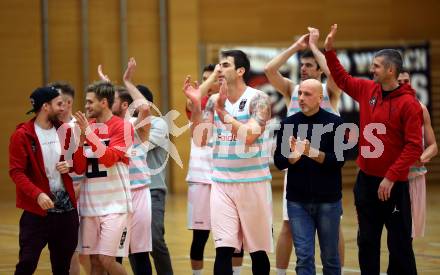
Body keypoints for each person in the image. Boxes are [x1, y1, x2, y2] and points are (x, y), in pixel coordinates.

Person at [324, 24, 423, 275]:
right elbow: (343, 80)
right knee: (366, 242)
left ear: (391, 70)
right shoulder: (368, 89)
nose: (371, 69)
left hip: (394, 187)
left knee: (399, 245)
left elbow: (414, 146)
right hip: (366, 182)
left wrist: (391, 177)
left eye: (376, 66)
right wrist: (329, 50)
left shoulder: (409, 105)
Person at [184, 49, 273, 275]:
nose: (218, 70)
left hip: (253, 183)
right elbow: (200, 138)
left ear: (240, 71)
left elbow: (250, 135)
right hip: (221, 182)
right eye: (218, 65)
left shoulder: (258, 98)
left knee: (257, 252)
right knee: (223, 249)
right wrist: (195, 107)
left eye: (225, 65)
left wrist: (224, 114)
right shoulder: (213, 100)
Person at [264, 27, 344, 275]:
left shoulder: (330, 92)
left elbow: (333, 73)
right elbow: (269, 70)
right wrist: (296, 48)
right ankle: (280, 272)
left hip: (325, 172)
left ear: (319, 70)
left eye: (310, 65)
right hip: (297, 170)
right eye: (302, 65)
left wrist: (315, 47)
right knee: (289, 228)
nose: (304, 68)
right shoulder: (293, 91)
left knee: (333, 235)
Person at [274, 79, 345, 275]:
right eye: (300, 94)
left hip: (328, 201)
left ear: (320, 98)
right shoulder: (288, 124)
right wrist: (292, 158)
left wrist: (311, 152)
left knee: (330, 258)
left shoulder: (335, 124)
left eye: (307, 94)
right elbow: (279, 161)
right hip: (297, 202)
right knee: (304, 257)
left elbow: (338, 161)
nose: (301, 98)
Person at [9, 86, 80, 274]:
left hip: (66, 212)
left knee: (61, 268)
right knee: (27, 264)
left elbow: (78, 165)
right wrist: (37, 194)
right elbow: (16, 172)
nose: (63, 107)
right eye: (59, 104)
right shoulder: (22, 135)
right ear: (46, 106)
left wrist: (70, 164)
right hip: (36, 213)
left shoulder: (65, 131)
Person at [185, 64, 244, 275]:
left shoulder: (235, 103)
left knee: (234, 236)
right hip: (201, 177)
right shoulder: (198, 101)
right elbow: (193, 102)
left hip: (226, 177)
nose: (209, 82)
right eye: (205, 79)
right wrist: (211, 80)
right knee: (200, 237)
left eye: (215, 78)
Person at [73, 81, 134, 275]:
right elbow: (80, 166)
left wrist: (88, 134)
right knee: (94, 262)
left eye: (91, 102)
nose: (86, 106)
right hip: (90, 206)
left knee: (107, 260)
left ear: (104, 102)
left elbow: (108, 159)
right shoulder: (86, 127)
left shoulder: (123, 127)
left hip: (115, 206)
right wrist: (81, 140)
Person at [49, 81, 92, 275]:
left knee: (79, 253)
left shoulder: (78, 128)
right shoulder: (50, 128)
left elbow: (90, 165)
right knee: (68, 252)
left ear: (67, 102)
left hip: (81, 198)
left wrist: (80, 187)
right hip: (60, 198)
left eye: (56, 100)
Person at [397, 70, 438, 238]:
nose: (404, 85)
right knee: (394, 230)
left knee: (409, 233)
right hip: (393, 178)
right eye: (400, 82)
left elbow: (433, 145)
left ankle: (404, 265)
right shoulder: (383, 108)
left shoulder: (420, 108)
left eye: (407, 81)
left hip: (415, 177)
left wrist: (422, 157)